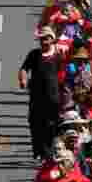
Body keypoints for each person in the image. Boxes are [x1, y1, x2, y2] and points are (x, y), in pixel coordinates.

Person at [19, 26, 62, 161]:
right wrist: (23, 80)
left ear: (52, 39)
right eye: (41, 39)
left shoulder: (59, 55)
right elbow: (24, 69)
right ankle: (39, 152)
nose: (44, 42)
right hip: (37, 98)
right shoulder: (34, 54)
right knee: (35, 124)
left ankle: (48, 153)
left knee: (51, 126)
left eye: (46, 39)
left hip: (53, 99)